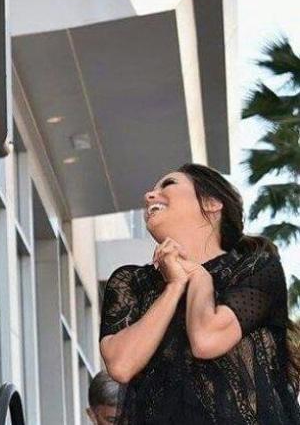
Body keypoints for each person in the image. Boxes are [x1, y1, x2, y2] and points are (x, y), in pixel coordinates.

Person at [99, 163, 300, 424]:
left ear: (211, 203)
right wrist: (174, 287)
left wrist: (199, 278)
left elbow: (206, 340)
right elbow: (121, 365)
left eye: (168, 184)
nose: (149, 196)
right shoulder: (132, 281)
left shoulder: (255, 269)